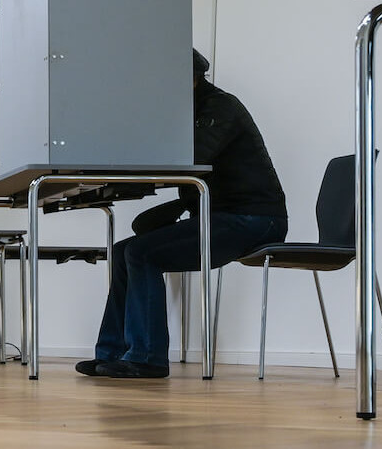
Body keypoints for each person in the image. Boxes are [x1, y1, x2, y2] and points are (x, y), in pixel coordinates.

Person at [78, 49, 288, 378]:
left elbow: (192, 159)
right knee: (122, 252)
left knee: (140, 253)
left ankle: (147, 358)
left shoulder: (220, 107)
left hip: (255, 220)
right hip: (220, 217)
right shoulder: (187, 110)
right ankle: (113, 353)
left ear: (186, 80)